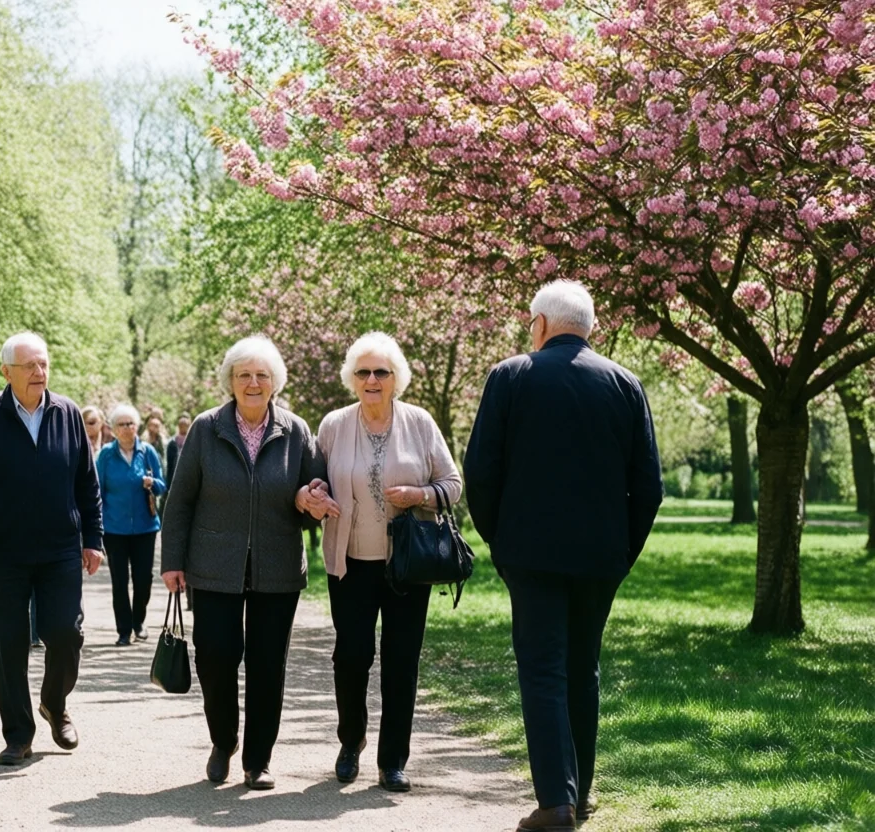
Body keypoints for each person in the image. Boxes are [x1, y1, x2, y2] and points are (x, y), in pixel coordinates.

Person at [463, 280, 663, 832]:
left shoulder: (510, 376)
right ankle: (580, 793)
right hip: (601, 557)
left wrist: (498, 541)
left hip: (529, 553)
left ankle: (557, 804)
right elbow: (648, 487)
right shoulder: (626, 384)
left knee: (544, 671)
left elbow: (480, 472)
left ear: (541, 324)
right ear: (589, 327)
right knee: (583, 669)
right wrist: (623, 553)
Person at [161, 335, 327, 790]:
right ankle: (223, 741)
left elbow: (316, 485)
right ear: (230, 382)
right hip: (213, 564)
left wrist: (312, 495)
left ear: (274, 382)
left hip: (276, 565)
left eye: (261, 375)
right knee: (214, 657)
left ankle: (258, 761)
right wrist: (172, 559)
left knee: (268, 665)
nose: (253, 383)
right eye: (243, 375)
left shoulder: (295, 430)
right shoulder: (206, 427)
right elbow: (179, 502)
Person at [305, 332, 462, 793]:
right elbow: (314, 480)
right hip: (350, 563)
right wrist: (314, 495)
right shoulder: (334, 424)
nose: (372, 380)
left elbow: (452, 483)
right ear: (352, 379)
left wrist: (420, 495)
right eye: (363, 372)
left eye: (381, 372)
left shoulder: (419, 423)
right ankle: (350, 743)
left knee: (400, 661)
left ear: (396, 379)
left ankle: (392, 759)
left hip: (406, 567)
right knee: (351, 657)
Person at [0, 331, 106, 765]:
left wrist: (93, 538)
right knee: (11, 645)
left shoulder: (68, 413)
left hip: (60, 549)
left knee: (65, 633)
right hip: (4, 552)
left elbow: (86, 485)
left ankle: (55, 704)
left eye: (44, 364)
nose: (40, 373)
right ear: (7, 372)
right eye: (30, 366)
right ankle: (18, 734)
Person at [95, 404, 165, 646]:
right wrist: (97, 526)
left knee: (143, 578)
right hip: (114, 529)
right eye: (122, 424)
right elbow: (97, 492)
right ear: (113, 429)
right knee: (119, 580)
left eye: (131, 424)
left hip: (145, 528)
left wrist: (151, 482)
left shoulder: (147, 452)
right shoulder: (105, 455)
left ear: (138, 426)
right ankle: (124, 630)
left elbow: (162, 486)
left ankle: (139, 622)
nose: (127, 428)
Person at [164, 413, 192, 493]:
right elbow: (168, 465)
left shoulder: (193, 441)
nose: (183, 427)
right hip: (174, 479)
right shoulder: (172, 442)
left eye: (185, 425)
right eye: (181, 425)